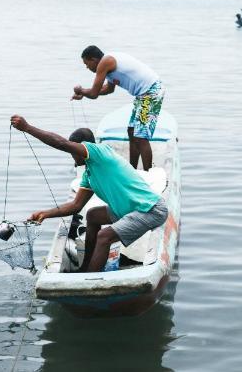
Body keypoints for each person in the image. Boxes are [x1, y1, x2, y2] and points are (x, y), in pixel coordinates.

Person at [9, 114, 168, 272]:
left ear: (82, 147)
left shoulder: (99, 152)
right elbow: (75, 206)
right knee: (92, 215)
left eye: (73, 150)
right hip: (131, 209)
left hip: (151, 209)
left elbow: (62, 143)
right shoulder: (89, 174)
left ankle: (91, 275)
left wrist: (28, 128)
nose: (72, 156)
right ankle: (86, 266)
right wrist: (44, 214)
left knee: (104, 237)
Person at [72, 46, 165, 170]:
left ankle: (148, 173)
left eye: (87, 64)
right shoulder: (107, 64)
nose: (87, 67)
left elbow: (94, 93)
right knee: (132, 132)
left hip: (151, 91)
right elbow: (108, 89)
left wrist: (81, 90)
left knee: (141, 137)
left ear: (93, 59)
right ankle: (132, 170)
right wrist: (84, 93)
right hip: (142, 94)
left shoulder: (105, 62)